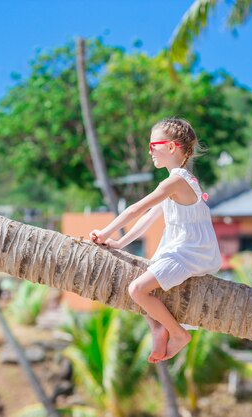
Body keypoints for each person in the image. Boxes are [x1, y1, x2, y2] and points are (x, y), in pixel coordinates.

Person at [89, 118, 221, 363]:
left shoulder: (177, 180)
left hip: (190, 251)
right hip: (180, 248)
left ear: (171, 147)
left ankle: (178, 334)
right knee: (138, 282)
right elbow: (148, 220)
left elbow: (135, 210)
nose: (149, 151)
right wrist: (120, 243)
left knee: (137, 289)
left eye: (153, 145)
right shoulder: (178, 180)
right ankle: (158, 329)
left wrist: (105, 233)